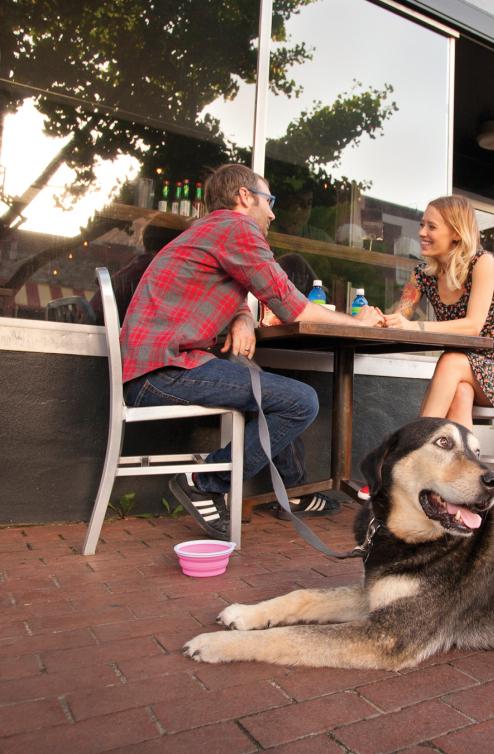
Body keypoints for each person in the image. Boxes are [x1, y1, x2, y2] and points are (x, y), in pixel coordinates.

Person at [119, 163, 384, 539]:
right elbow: (291, 304)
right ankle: (203, 480)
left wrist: (241, 317)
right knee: (300, 401)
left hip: (161, 367)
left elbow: (233, 286)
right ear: (245, 197)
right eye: (269, 200)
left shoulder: (208, 231)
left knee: (275, 391)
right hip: (163, 372)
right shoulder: (237, 227)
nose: (273, 212)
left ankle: (293, 492)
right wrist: (360, 323)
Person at [380, 195, 494, 490]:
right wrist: (373, 317)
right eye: (422, 225)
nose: (422, 232)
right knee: (460, 393)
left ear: (456, 233)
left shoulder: (482, 262)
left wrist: (416, 326)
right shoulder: (422, 275)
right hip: (462, 378)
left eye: (431, 226)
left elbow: (474, 326)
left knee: (452, 359)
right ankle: (465, 485)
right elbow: (399, 318)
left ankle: (409, 459)